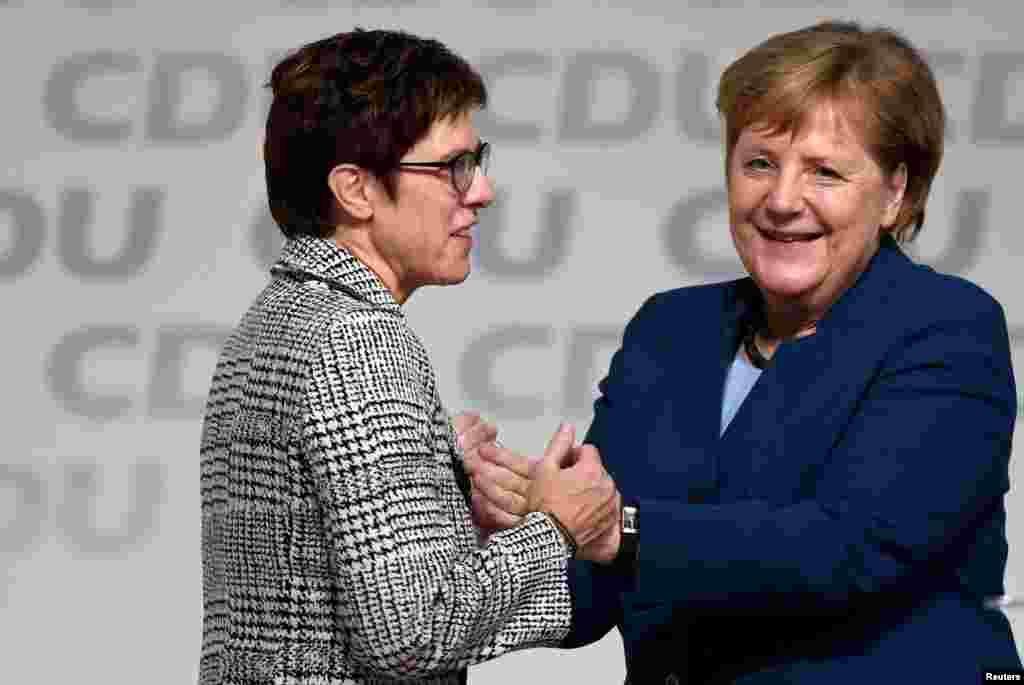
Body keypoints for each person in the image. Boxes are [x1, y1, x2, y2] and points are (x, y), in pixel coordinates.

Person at [467, 20, 1020, 683]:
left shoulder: (947, 328)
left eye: (825, 171)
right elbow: (595, 591)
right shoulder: (670, 330)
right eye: (760, 162)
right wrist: (520, 524)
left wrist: (618, 529)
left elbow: (848, 548)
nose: (783, 200)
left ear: (895, 192)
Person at [197, 28, 621, 685]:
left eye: (476, 160)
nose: (482, 190)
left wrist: (443, 501)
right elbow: (409, 635)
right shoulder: (357, 339)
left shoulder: (277, 319)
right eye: (454, 166)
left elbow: (327, 581)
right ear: (356, 190)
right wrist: (557, 527)